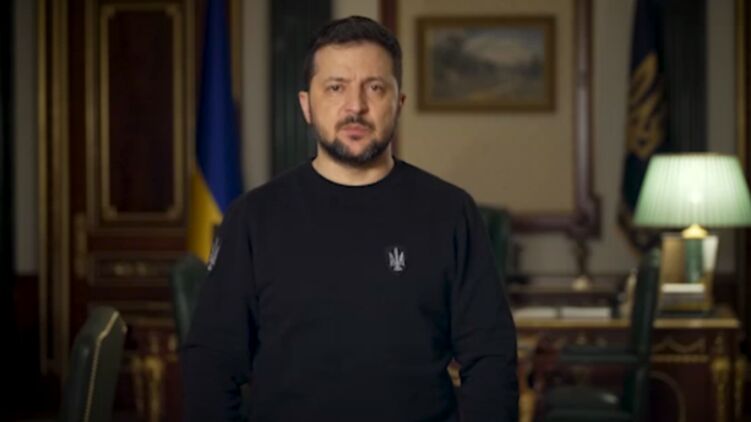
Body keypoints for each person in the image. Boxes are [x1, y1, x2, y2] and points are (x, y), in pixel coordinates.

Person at [182, 15, 518, 421]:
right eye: (336, 87)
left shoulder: (451, 212)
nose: (355, 106)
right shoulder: (253, 218)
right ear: (306, 105)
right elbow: (211, 364)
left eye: (375, 88)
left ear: (399, 103)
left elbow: (491, 358)